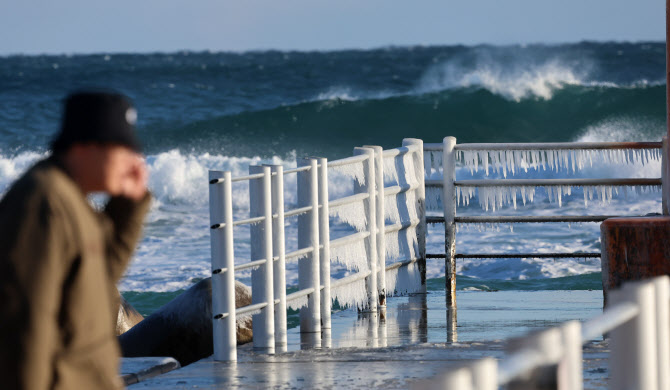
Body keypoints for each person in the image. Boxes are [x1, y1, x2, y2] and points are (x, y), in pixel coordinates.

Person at [0, 91, 151, 389]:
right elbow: (26, 326)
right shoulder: (43, 203)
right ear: (85, 146)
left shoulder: (71, 199)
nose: (132, 159)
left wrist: (128, 206)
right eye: (121, 147)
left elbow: (100, 279)